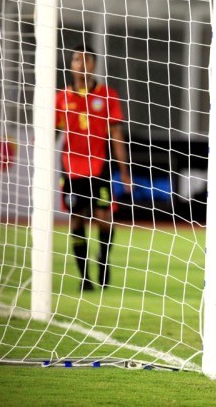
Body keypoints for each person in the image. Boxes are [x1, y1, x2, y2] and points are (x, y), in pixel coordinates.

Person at [55, 44, 131, 291]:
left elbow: (117, 135)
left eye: (86, 60)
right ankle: (84, 276)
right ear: (71, 65)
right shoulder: (61, 98)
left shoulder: (108, 95)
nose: (82, 64)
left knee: (104, 218)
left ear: (94, 64)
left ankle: (104, 260)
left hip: (100, 167)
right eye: (77, 59)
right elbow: (53, 131)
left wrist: (124, 171)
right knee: (76, 220)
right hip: (71, 168)